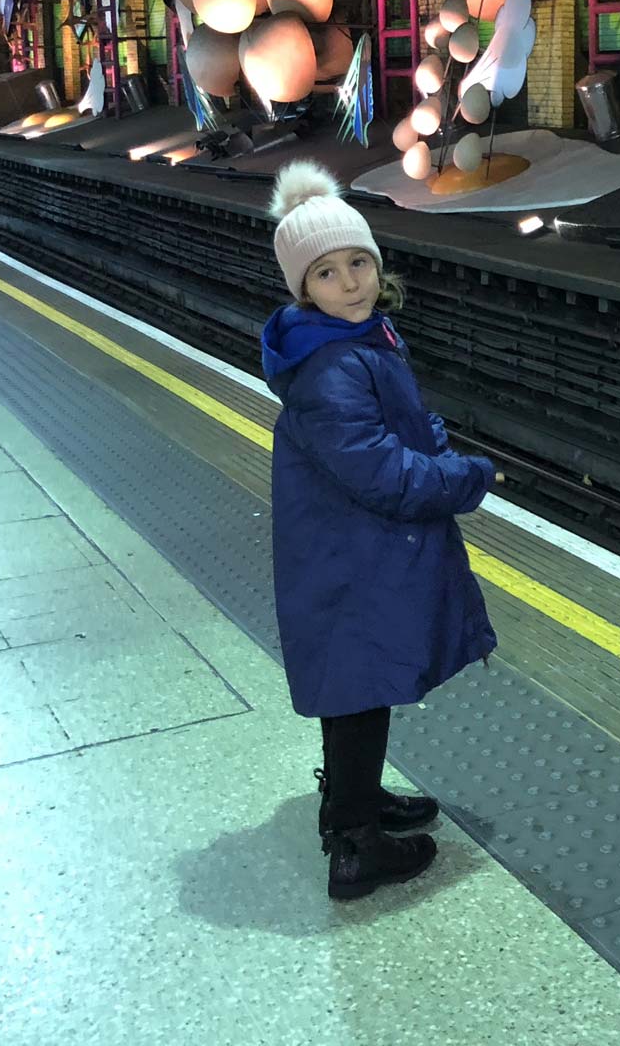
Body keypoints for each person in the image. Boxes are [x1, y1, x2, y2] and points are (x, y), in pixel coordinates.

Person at [262, 161, 501, 900]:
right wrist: (466, 477)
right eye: (329, 273)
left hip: (353, 553)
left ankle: (356, 801)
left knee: (361, 687)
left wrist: (429, 435)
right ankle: (355, 846)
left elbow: (394, 428)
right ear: (305, 290)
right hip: (350, 559)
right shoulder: (332, 366)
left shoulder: (363, 337)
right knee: (357, 690)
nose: (352, 281)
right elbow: (381, 475)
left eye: (360, 262)